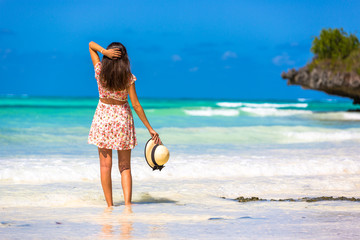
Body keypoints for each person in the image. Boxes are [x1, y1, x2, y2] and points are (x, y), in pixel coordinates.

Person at [88, 41, 161, 207]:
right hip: (122, 119)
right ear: (125, 58)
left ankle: (110, 205)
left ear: (108, 56)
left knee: (105, 166)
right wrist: (150, 128)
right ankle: (128, 205)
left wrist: (103, 52)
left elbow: (91, 45)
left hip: (104, 118)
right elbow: (135, 105)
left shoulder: (100, 70)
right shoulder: (128, 77)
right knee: (125, 166)